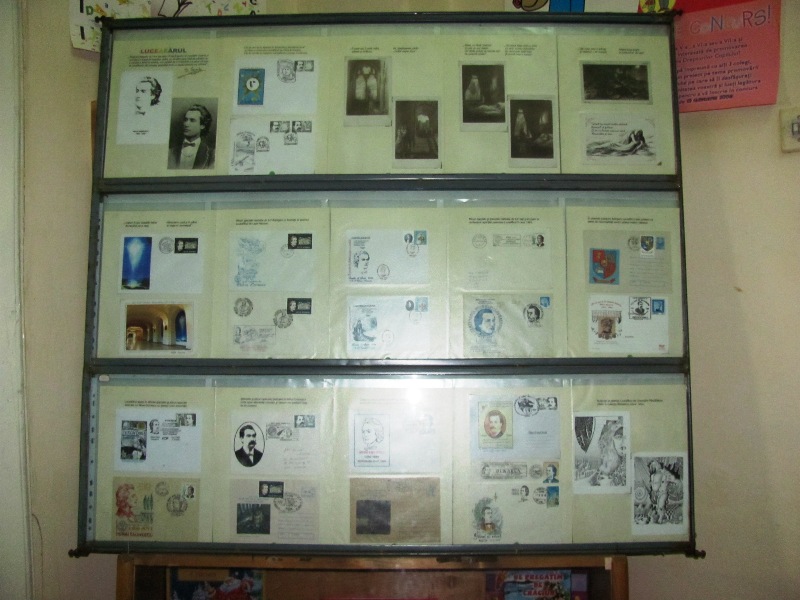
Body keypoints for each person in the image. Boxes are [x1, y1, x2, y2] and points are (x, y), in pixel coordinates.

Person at [168, 103, 215, 169]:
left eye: (192, 120)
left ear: (202, 125)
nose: (186, 124)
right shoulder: (170, 152)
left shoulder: (211, 155)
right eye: (185, 120)